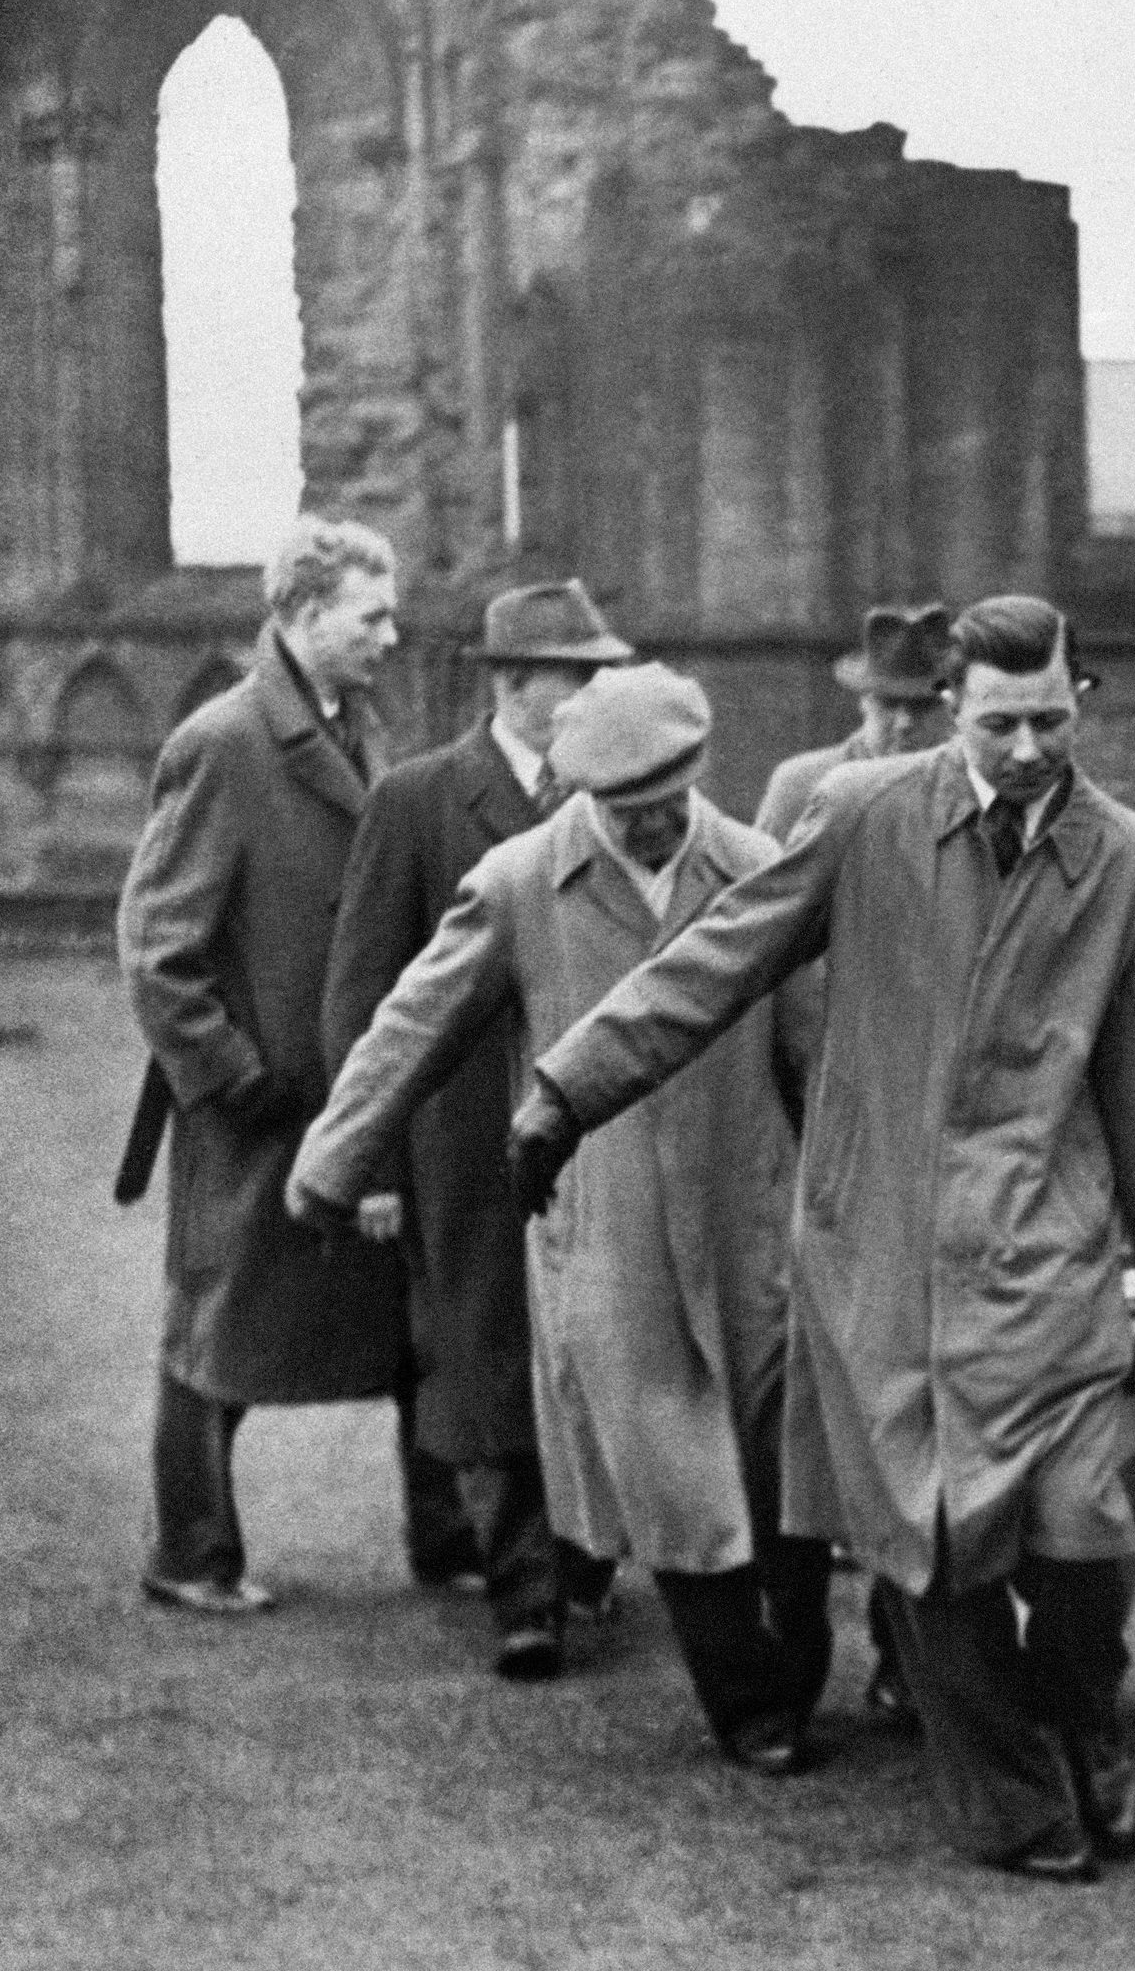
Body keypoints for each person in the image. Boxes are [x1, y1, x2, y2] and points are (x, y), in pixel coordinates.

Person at [507, 596, 1135, 1884]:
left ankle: (1084, 1727)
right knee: (928, 1550)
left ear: (1082, 703)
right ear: (954, 711)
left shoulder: (1134, 866)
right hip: (876, 1251)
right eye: (998, 724)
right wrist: (565, 1090)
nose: (1024, 751)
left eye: (1050, 720)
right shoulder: (863, 817)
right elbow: (710, 966)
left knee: (1085, 1539)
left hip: (1045, 1256)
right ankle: (1010, 1802)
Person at [295, 665, 836, 1774]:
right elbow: (413, 1026)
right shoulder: (521, 883)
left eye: (667, 796)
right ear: (582, 792)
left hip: (750, 1218)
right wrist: (335, 1159)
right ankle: (748, 1706)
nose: (648, 820)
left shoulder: (759, 874)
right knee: (673, 1469)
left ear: (697, 776)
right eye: (622, 801)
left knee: (778, 1470)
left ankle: (799, 1663)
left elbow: (817, 1062)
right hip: (608, 1228)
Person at [116, 517, 455, 1615]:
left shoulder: (356, 727)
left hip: (356, 1094)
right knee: (218, 1331)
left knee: (413, 1315)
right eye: (372, 617)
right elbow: (158, 951)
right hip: (259, 1111)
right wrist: (239, 1080)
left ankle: (448, 1541)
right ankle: (192, 1555)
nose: (391, 637)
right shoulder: (222, 743)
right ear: (305, 618)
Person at [317, 580, 630, 1679]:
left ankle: (585, 1558)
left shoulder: (622, 794)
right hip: (463, 1138)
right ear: (510, 684)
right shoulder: (419, 801)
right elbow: (363, 996)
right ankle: (525, 1592)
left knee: (598, 1342)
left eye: (603, 673)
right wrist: (369, 1160)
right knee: (487, 1352)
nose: (596, 693)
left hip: (599, 1125)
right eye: (574, 675)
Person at [751, 602, 958, 1734]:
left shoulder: (962, 799)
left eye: (919, 706)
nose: (898, 725)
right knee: (808, 1399)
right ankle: (793, 1648)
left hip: (926, 1138)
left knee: (912, 1401)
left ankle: (904, 1643)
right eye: (882, 705)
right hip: (817, 1129)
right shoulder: (804, 791)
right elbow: (766, 952)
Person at [755, 603, 954, 842]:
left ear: (951, 707)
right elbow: (763, 876)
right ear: (864, 703)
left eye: (922, 706)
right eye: (888, 704)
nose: (904, 723)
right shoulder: (802, 785)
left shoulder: (968, 786)